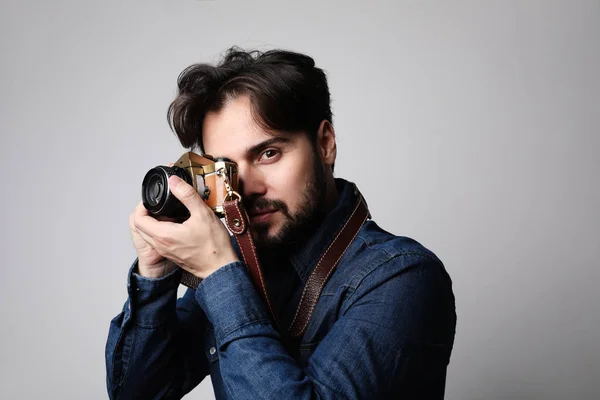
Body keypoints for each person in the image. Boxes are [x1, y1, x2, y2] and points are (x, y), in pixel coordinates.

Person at [105, 47, 457, 399]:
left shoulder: (403, 278)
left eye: (268, 153)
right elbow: (137, 394)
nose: (246, 189)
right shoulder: (236, 265)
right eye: (226, 169)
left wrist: (219, 278)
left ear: (325, 144)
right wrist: (156, 275)